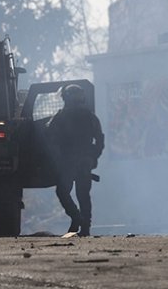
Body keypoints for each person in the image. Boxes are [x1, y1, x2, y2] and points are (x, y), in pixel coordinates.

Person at [47, 83, 104, 236]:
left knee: (63, 192)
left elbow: (50, 139)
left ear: (65, 98)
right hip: (83, 161)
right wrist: (93, 157)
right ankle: (84, 226)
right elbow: (100, 139)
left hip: (69, 161)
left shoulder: (60, 117)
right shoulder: (90, 117)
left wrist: (57, 159)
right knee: (83, 194)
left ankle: (77, 218)